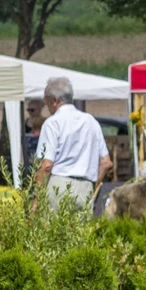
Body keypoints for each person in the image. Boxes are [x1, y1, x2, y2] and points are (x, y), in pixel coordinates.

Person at [33, 76, 111, 212]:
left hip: (59, 185)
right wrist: (94, 186)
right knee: (80, 233)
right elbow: (106, 163)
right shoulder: (91, 121)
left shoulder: (53, 122)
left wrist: (36, 199)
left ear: (55, 101)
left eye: (47, 102)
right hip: (85, 186)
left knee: (53, 232)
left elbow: (46, 165)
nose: (47, 106)